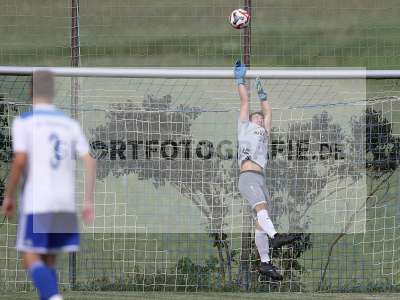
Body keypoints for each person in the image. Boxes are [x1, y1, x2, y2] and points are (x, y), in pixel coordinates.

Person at [2, 70, 96, 300]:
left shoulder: (25, 121)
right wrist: (88, 200)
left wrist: (8, 195)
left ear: (30, 91)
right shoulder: (68, 123)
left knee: (30, 255)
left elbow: (21, 159)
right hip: (65, 204)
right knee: (49, 261)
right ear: (53, 92)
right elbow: (90, 160)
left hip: (38, 202)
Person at [235, 60, 298, 280]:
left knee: (260, 220)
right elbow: (244, 102)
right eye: (256, 117)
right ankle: (276, 237)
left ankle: (266, 264)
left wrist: (264, 96)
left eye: (261, 118)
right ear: (250, 120)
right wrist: (240, 80)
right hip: (247, 176)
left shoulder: (264, 132)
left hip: (260, 178)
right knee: (262, 212)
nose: (259, 118)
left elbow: (268, 112)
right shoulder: (245, 127)